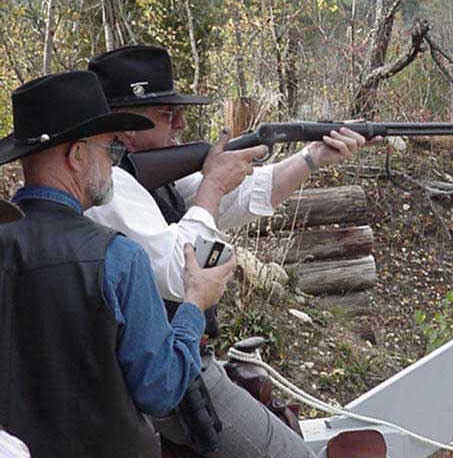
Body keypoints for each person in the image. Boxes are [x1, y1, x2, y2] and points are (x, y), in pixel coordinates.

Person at [0, 71, 235, 458]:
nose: (115, 162)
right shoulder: (118, 258)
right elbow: (159, 390)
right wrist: (195, 305)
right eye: (110, 149)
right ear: (77, 155)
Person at [85, 45, 381, 304]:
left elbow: (245, 196)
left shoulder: (148, 174)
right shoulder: (107, 186)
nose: (181, 123)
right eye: (168, 113)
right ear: (126, 125)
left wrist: (311, 157)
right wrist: (212, 185)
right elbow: (180, 277)